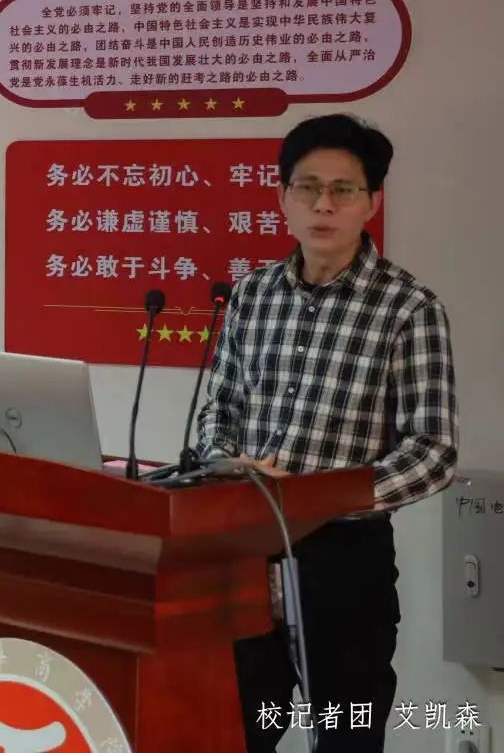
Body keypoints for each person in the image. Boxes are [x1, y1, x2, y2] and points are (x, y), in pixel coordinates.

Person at [194, 113, 457, 752]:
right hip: (246, 547)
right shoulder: (252, 295)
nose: (323, 205)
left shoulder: (408, 308)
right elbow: (217, 410)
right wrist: (228, 464)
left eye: (343, 189)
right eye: (308, 187)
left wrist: (322, 496)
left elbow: (433, 450)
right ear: (282, 196)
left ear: (372, 202)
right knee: (236, 732)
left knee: (346, 736)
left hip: (345, 560)